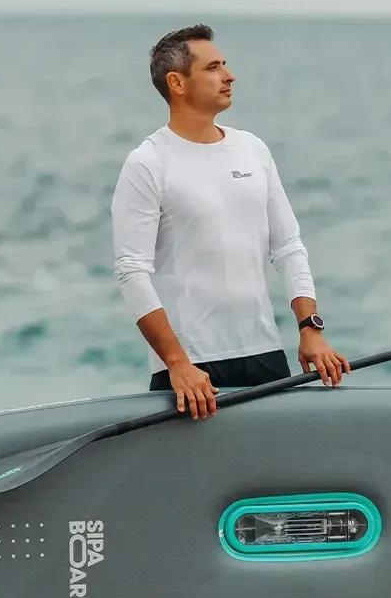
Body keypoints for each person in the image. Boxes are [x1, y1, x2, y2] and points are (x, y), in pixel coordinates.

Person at [110, 23, 351, 419]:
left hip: (265, 356)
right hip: (193, 371)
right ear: (177, 82)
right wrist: (177, 363)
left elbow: (288, 245)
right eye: (213, 67)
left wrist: (310, 328)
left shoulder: (252, 149)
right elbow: (132, 271)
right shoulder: (149, 162)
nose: (229, 75)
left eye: (225, 64)